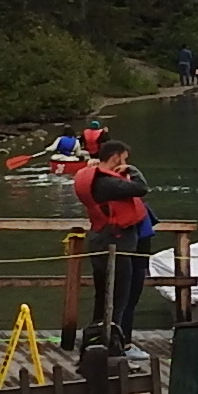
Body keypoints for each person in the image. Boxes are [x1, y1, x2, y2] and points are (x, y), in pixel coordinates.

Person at [72, 139, 158, 346]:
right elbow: (141, 188)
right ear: (116, 157)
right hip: (116, 242)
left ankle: (97, 340)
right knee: (119, 297)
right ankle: (115, 345)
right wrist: (132, 170)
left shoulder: (93, 177)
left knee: (103, 295)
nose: (126, 162)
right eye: (124, 159)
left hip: (101, 239)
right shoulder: (108, 183)